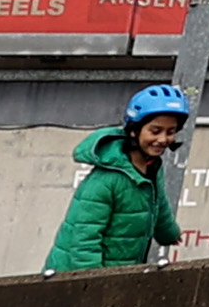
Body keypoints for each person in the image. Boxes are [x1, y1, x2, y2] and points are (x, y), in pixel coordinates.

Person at [48, 84, 195, 273]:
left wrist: (168, 232)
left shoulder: (152, 166)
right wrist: (94, 282)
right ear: (134, 130)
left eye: (170, 131)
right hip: (76, 275)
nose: (163, 139)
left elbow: (158, 201)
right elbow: (84, 240)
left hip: (118, 269)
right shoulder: (105, 180)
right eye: (155, 131)